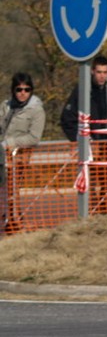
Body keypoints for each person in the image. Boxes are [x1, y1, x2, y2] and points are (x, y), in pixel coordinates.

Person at [60, 55, 107, 214]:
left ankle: (106, 214)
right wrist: (82, 140)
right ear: (92, 71)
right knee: (91, 184)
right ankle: (91, 215)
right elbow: (67, 119)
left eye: (105, 72)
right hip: (89, 146)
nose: (102, 76)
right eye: (99, 72)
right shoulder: (82, 89)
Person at [1, 73, 45, 233]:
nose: (23, 93)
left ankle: (14, 222)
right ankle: (8, 218)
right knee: (5, 190)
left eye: (27, 89)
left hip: (18, 156)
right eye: (19, 89)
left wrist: (9, 143)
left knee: (12, 190)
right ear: (13, 90)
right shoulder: (6, 106)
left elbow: (34, 137)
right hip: (2, 154)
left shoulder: (36, 110)